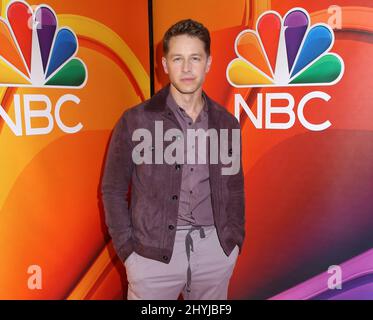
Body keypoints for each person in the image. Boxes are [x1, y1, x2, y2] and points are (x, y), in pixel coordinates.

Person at [101, 19, 245, 300]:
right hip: (151, 255)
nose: (187, 68)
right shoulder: (135, 120)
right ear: (165, 65)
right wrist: (129, 253)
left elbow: (234, 186)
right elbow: (112, 190)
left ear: (209, 62)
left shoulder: (227, 123)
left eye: (195, 58)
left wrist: (233, 242)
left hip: (214, 253)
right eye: (178, 59)